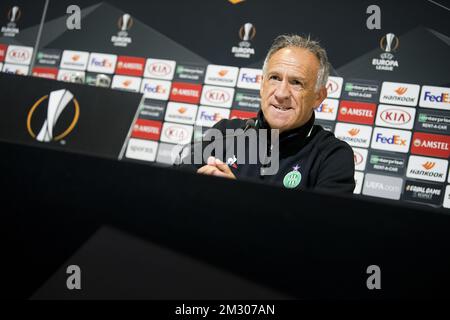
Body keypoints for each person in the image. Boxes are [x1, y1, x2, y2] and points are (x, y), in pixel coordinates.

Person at [178, 34, 355, 193]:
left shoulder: (332, 156)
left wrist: (236, 196)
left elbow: (323, 226)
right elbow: (172, 187)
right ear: (262, 85)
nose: (281, 93)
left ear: (318, 97)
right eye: (275, 78)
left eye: (296, 82)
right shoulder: (226, 132)